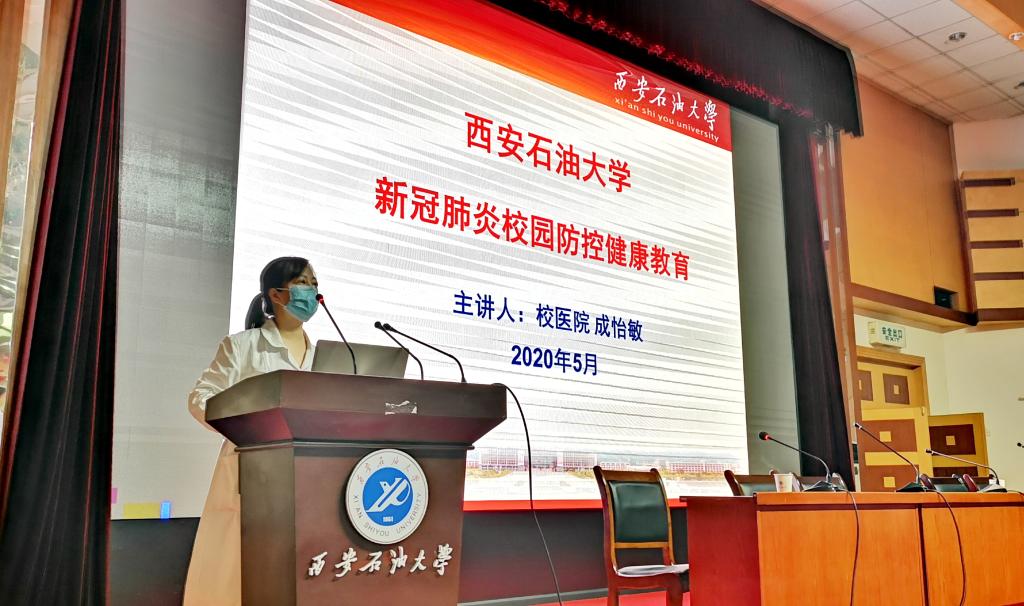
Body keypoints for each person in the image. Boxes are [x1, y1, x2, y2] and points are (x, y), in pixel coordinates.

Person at [183, 257, 318, 606]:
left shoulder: (324, 357)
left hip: (309, 475)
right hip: (251, 471)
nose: (312, 291)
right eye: (303, 282)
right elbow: (201, 398)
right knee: (239, 573)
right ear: (276, 294)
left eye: (314, 283)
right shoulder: (243, 346)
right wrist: (248, 427)